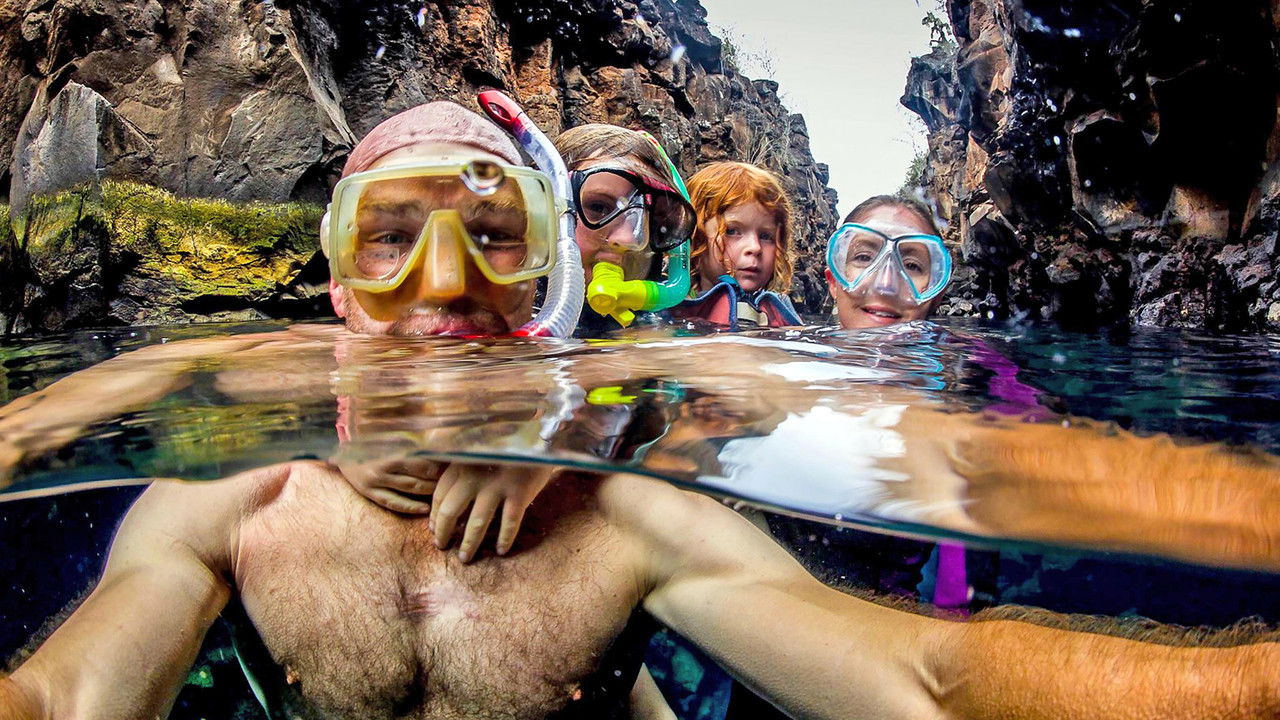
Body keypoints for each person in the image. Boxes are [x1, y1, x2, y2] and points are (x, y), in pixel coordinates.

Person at [2, 100, 1280, 720]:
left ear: (542, 276)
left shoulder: (621, 509)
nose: (440, 290)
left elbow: (928, 682)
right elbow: (64, 701)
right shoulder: (231, 495)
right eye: (389, 242)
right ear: (333, 281)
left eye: (493, 242)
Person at [554, 124, 696, 335]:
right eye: (598, 207)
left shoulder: (672, 330)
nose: (629, 238)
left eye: (655, 221)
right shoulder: (501, 322)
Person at [670, 162, 801, 329]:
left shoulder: (781, 313)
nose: (755, 248)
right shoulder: (670, 309)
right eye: (732, 231)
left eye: (766, 236)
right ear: (694, 237)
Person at [826, 194, 950, 329]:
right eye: (864, 257)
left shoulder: (971, 349)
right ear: (833, 283)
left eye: (911, 266)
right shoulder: (800, 344)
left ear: (936, 296)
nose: (885, 286)